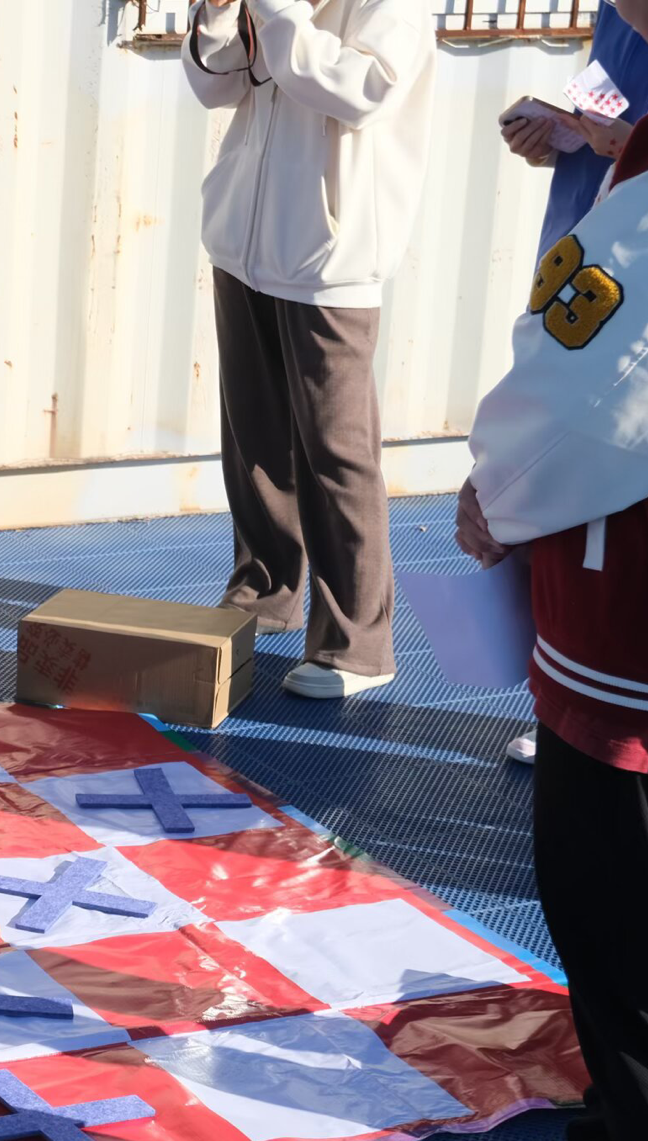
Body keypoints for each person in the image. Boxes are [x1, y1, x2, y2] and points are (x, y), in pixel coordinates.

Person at [438, 1, 648, 1141]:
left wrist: (500, 490)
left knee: (636, 965)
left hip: (641, 651)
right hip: (629, 632)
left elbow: (602, 392)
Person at [183, 0, 436, 698]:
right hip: (242, 240)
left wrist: (276, 10)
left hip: (332, 256)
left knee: (336, 452)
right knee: (253, 435)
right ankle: (265, 593)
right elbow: (214, 87)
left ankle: (357, 646)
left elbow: (362, 91)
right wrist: (218, 15)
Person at [497, 2, 648, 766]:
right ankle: (562, 699)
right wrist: (563, 137)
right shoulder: (612, 14)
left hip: (632, 298)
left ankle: (594, 712)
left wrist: (625, 139)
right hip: (584, 274)